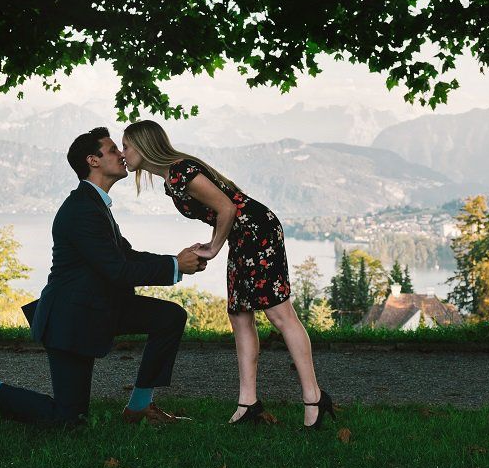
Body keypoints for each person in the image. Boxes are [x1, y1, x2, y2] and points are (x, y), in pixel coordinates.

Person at [0, 127, 206, 429]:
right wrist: (175, 266)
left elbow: (125, 257)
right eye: (114, 149)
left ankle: (139, 407)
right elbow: (117, 270)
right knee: (69, 419)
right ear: (94, 160)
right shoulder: (81, 209)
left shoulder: (95, 205)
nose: (122, 155)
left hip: (100, 307)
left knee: (169, 317)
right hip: (70, 318)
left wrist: (176, 262)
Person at [121, 120, 334, 428]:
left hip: (258, 231)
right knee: (239, 315)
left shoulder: (181, 172)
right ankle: (248, 404)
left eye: (126, 146)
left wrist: (213, 248)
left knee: (280, 315)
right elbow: (221, 210)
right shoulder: (171, 179)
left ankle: (314, 398)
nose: (123, 152)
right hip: (243, 236)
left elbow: (228, 208)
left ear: (143, 146)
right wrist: (214, 241)